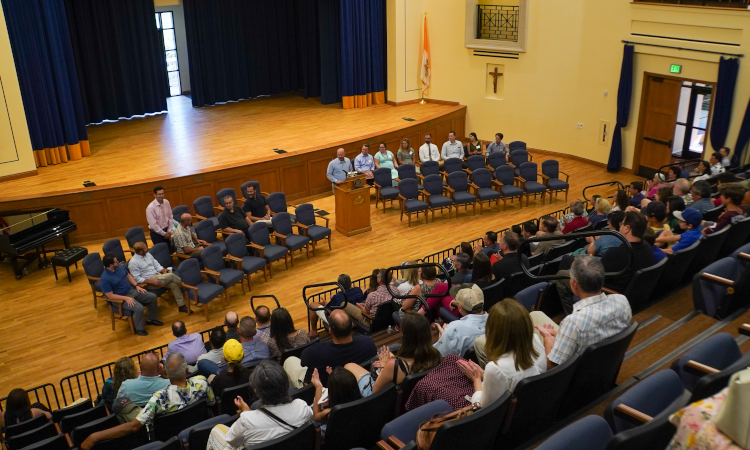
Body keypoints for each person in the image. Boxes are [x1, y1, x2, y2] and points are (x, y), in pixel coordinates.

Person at [80, 353, 215, 450]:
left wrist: (95, 436)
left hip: (168, 442)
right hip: (199, 436)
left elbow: (133, 426)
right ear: (187, 370)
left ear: (165, 371)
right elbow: (212, 403)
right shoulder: (202, 382)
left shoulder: (159, 399)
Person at [535, 256, 632, 370]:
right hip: (606, 366)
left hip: (575, 375)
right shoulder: (622, 301)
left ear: (574, 284)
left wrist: (548, 340)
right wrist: (564, 336)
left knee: (535, 316)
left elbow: (552, 368)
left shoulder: (573, 323)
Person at [557, 211, 652, 315]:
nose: (620, 226)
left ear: (627, 228)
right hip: (630, 296)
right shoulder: (647, 247)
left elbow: (594, 275)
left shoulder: (617, 252)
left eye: (622, 224)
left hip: (607, 292)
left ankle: (574, 316)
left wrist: (579, 264)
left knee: (561, 276)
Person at [206, 360, 312, 450]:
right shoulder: (301, 406)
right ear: (285, 384)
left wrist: (247, 414)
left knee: (216, 430)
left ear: (256, 392)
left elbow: (231, 441)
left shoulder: (246, 420)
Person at [460, 299, 547, 404]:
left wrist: (476, 380)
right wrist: (485, 375)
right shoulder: (536, 340)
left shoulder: (495, 368)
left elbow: (483, 407)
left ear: (493, 331)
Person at [345, 313, 442, 396]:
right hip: (411, 397)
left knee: (349, 366)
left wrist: (383, 367)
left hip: (377, 397)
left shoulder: (394, 365)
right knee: (389, 354)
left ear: (406, 337)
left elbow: (374, 391)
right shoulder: (436, 355)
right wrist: (392, 359)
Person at [296, 310, 377, 386]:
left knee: (290, 361)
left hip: (327, 391)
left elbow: (303, 362)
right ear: (352, 325)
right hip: (357, 386)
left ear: (330, 330)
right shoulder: (368, 343)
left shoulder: (314, 352)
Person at [100, 254, 161, 336]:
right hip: (120, 299)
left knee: (152, 297)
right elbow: (110, 296)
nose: (117, 262)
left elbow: (128, 276)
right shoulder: (105, 278)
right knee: (139, 308)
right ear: (111, 265)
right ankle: (139, 329)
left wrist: (136, 286)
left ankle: (151, 319)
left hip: (131, 290)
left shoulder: (119, 267)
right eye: (115, 262)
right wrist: (126, 298)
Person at [128, 242, 189, 314]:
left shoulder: (147, 254)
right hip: (150, 281)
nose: (147, 248)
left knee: (174, 285)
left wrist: (163, 271)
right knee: (171, 275)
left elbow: (156, 265)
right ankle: (187, 286)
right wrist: (152, 282)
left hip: (158, 276)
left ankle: (181, 306)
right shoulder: (133, 262)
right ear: (141, 251)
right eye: (145, 248)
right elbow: (137, 279)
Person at [433, 284, 488, 357]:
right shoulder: (496, 319)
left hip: (460, 365)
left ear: (460, 307)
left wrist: (445, 334)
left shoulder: (453, 328)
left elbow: (439, 354)